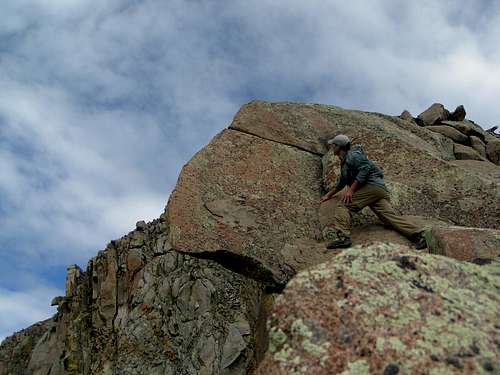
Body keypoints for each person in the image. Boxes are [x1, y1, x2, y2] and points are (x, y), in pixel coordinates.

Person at [319, 134, 427, 249]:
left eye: (333, 145)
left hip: (371, 187)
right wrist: (328, 195)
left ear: (338, 146)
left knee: (344, 205)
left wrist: (351, 190)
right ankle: (421, 236)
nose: (331, 147)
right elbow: (342, 183)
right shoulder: (345, 161)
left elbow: (365, 168)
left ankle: (343, 238)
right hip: (377, 190)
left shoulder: (353, 155)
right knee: (388, 216)